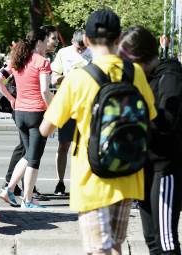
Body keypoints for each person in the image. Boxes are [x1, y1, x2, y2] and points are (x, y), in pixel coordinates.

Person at [39, 9, 157, 255]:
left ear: (87, 41)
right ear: (118, 39)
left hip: (92, 176)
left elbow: (45, 128)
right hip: (128, 174)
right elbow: (151, 117)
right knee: (115, 246)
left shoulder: (78, 78)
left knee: (99, 250)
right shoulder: (134, 73)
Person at [118, 26, 182, 255]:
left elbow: (167, 120)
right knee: (152, 239)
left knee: (165, 241)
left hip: (164, 167)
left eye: (126, 60)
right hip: (144, 165)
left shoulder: (170, 75)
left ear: (140, 57)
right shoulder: (141, 77)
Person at [0, 26, 58, 200]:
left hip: (20, 113)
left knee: (28, 154)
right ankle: (27, 199)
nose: (47, 43)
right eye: (46, 40)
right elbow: (45, 91)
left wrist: (11, 98)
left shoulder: (18, 59)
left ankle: (9, 189)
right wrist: (53, 111)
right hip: (36, 113)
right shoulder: (42, 62)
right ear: (39, 42)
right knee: (33, 157)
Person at [50, 29, 92, 196]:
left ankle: (83, 183)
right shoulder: (63, 52)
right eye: (78, 48)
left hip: (87, 105)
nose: (80, 50)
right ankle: (60, 182)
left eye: (83, 48)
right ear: (72, 42)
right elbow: (53, 79)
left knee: (85, 147)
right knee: (63, 145)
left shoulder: (94, 52)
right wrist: (66, 76)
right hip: (67, 104)